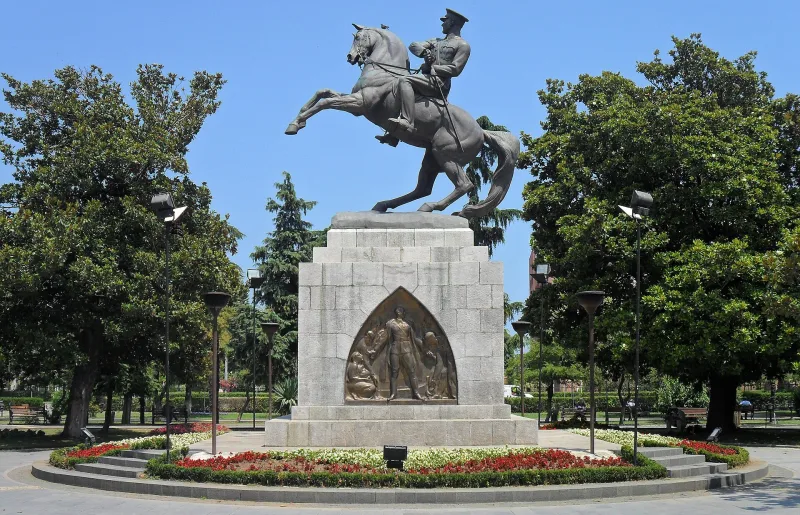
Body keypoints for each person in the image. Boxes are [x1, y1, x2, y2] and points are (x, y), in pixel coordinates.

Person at [380, 9, 471, 142]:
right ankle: (394, 135)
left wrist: (434, 67)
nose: (442, 23)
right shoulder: (436, 41)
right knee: (399, 88)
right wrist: (424, 53)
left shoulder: (462, 45)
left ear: (452, 22)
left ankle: (407, 122)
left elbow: (456, 69)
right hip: (426, 79)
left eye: (445, 20)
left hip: (439, 83)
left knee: (405, 81)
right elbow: (413, 45)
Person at [372, 306, 434, 400]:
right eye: (398, 310)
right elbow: (384, 337)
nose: (399, 311)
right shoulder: (390, 324)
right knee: (394, 372)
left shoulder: (408, 324)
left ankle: (416, 393)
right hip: (395, 348)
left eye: (401, 310)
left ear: (404, 313)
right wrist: (375, 349)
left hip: (407, 349)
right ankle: (393, 394)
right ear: (395, 312)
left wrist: (425, 350)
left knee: (411, 371)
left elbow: (415, 338)